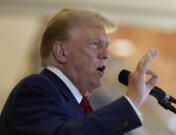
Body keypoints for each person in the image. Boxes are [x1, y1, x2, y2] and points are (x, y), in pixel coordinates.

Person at [0, 8, 159, 135]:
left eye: (107, 45)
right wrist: (132, 100)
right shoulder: (36, 88)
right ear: (62, 52)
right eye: (95, 44)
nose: (106, 54)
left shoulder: (79, 104)